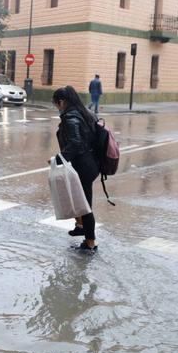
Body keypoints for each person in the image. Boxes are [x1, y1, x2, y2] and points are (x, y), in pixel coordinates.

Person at [53, 86, 100, 253]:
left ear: (62, 102)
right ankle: (80, 226)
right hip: (91, 163)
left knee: (85, 206)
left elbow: (76, 144)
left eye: (56, 104)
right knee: (77, 198)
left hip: (84, 166)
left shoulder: (71, 118)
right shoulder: (84, 113)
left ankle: (90, 243)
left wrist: (57, 159)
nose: (57, 107)